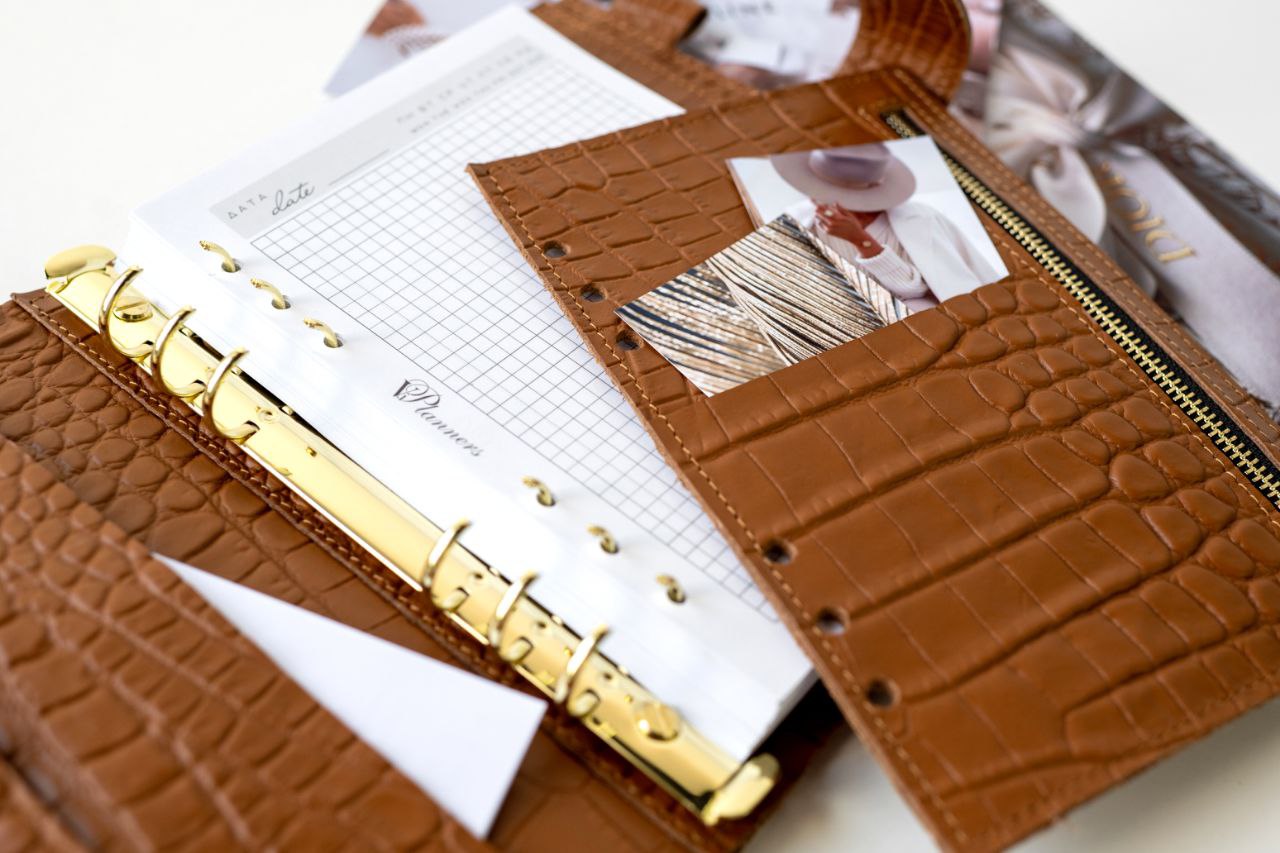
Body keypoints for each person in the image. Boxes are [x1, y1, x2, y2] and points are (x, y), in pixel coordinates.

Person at [771, 143, 1004, 312]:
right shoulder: (799, 220)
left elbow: (915, 291)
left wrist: (861, 241)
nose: (816, 199)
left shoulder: (919, 220)